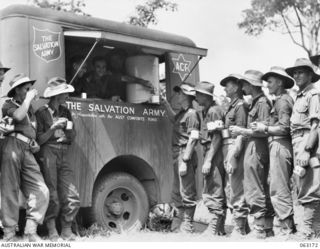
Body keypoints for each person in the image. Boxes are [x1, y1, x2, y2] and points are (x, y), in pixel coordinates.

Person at [1, 73, 49, 242]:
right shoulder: (8, 105)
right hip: (11, 146)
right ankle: (9, 234)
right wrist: (29, 99)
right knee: (10, 189)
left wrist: (33, 142)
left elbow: (31, 130)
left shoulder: (30, 109)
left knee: (41, 189)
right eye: (27, 89)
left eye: (30, 89)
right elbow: (17, 117)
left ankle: (30, 230)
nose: (31, 91)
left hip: (27, 150)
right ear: (17, 91)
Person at [229, 70, 275, 239]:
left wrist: (242, 130)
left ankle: (259, 229)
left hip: (257, 148)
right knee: (256, 186)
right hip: (253, 148)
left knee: (255, 188)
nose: (242, 87)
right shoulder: (256, 102)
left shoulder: (262, 103)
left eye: (244, 84)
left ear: (251, 85)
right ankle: (267, 228)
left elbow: (263, 131)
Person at [251, 67, 296, 236]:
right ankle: (286, 228)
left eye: (270, 82)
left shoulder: (283, 101)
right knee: (276, 187)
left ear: (280, 82)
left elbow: (285, 128)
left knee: (279, 189)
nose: (267, 85)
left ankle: (287, 230)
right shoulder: (280, 99)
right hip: (276, 145)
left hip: (280, 145)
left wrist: (265, 127)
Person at [35, 77, 80, 241]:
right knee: (52, 194)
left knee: (72, 195)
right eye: (65, 93)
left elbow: (72, 135)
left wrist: (68, 134)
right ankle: (52, 230)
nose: (67, 96)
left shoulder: (65, 112)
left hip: (63, 153)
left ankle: (67, 230)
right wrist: (53, 128)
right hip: (48, 153)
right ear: (57, 95)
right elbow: (38, 140)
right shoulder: (41, 113)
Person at [285, 58, 320, 239]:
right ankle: (313, 230)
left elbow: (315, 125)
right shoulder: (300, 95)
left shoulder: (312, 95)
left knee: (309, 187)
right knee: (302, 184)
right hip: (297, 141)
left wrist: (307, 150)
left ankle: (308, 231)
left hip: (308, 141)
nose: (297, 75)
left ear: (310, 75)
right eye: (295, 73)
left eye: (301, 72)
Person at [161, 83, 200, 233]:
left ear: (187, 96)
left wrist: (185, 160)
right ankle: (178, 224)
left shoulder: (191, 114)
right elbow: (173, 120)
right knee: (177, 191)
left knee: (187, 191)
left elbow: (193, 138)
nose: (178, 96)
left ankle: (188, 225)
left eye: (180, 94)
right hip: (177, 153)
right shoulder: (182, 113)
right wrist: (165, 104)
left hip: (185, 153)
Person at [220, 74, 250, 236]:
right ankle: (244, 228)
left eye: (228, 85)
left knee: (236, 187)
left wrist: (235, 156)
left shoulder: (240, 106)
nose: (225, 88)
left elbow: (240, 133)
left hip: (234, 147)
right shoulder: (232, 106)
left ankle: (239, 228)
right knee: (230, 187)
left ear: (237, 87)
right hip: (228, 145)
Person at [195, 81, 227, 236]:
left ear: (205, 96)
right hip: (210, 151)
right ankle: (219, 228)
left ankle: (214, 227)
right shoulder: (207, 110)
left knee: (214, 187)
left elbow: (216, 138)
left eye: (198, 94)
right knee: (214, 186)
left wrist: (208, 160)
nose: (195, 97)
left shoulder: (214, 111)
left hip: (214, 153)